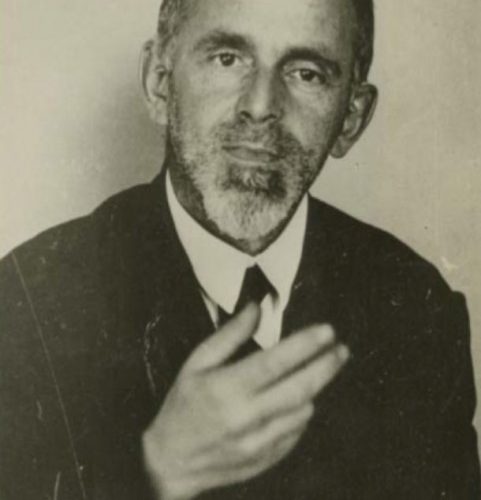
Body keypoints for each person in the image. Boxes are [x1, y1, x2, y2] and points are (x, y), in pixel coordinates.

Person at [0, 0, 479, 499]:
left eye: (306, 73)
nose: (261, 105)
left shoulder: (418, 312)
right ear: (159, 82)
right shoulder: (27, 303)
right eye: (227, 58)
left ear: (351, 118)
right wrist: (153, 474)